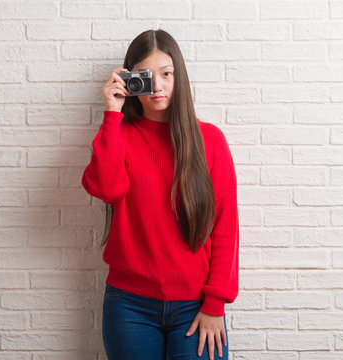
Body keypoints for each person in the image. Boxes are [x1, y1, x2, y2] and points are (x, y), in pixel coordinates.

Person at [81, 29, 239, 360]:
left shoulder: (208, 140)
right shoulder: (119, 135)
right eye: (146, 76)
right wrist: (112, 113)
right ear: (129, 79)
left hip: (196, 305)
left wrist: (215, 304)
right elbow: (106, 189)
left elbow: (226, 227)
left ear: (179, 76)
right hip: (128, 305)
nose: (158, 85)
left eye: (167, 74)